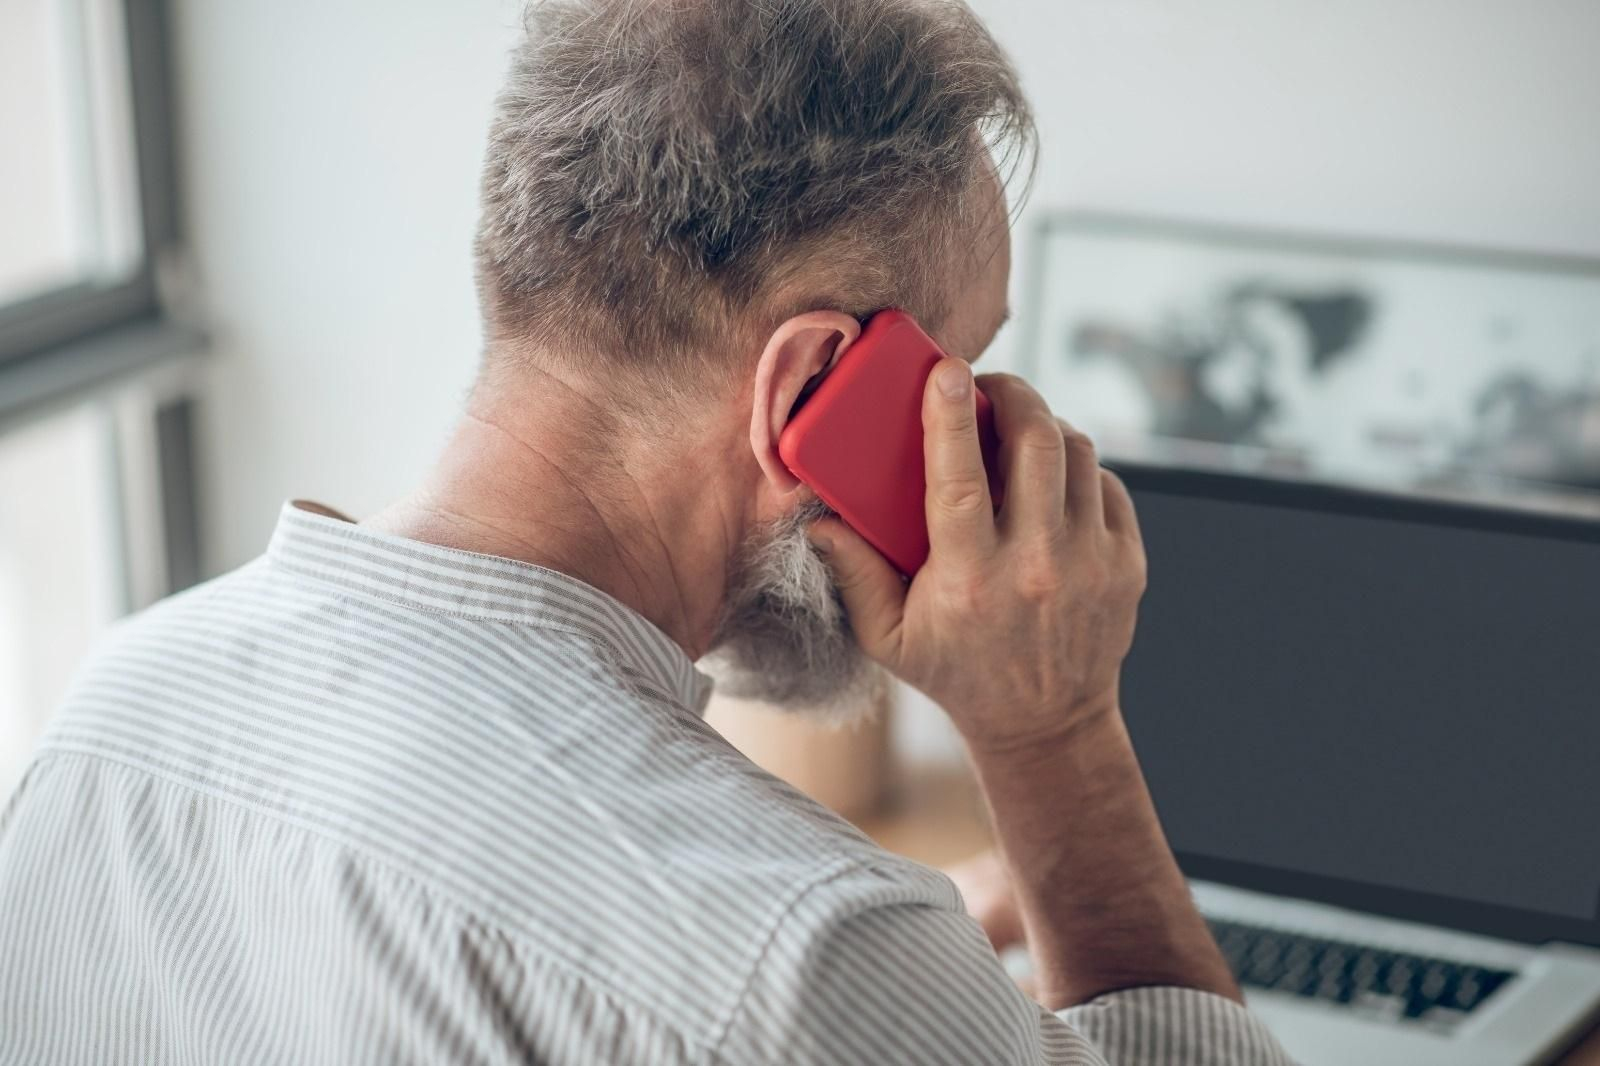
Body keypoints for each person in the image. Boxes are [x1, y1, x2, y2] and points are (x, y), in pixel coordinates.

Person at [0, 1, 1293, 1062]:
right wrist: (1053, 734)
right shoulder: (796, 957)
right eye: (968, 373)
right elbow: (724, 968)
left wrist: (920, 986)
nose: (1006, 440)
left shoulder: (113, 713)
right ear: (807, 399)